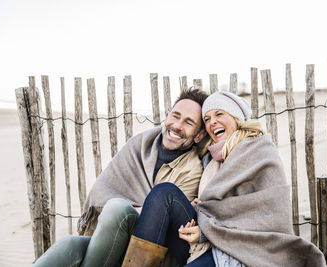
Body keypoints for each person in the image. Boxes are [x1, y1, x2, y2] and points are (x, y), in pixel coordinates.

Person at [122, 91, 326, 267]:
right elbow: (212, 205)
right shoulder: (210, 158)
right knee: (164, 193)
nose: (213, 122)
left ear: (237, 117)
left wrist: (205, 226)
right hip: (205, 241)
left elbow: (267, 214)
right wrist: (199, 210)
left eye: (219, 114)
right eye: (208, 118)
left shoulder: (260, 152)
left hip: (245, 248)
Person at [33, 89, 209, 267]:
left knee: (117, 208)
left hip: (150, 248)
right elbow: (103, 190)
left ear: (199, 135)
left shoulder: (192, 169)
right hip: (112, 235)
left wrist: (131, 209)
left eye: (188, 122)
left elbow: (164, 219)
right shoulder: (139, 144)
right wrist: (138, 208)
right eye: (175, 116)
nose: (177, 126)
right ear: (166, 116)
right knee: (68, 244)